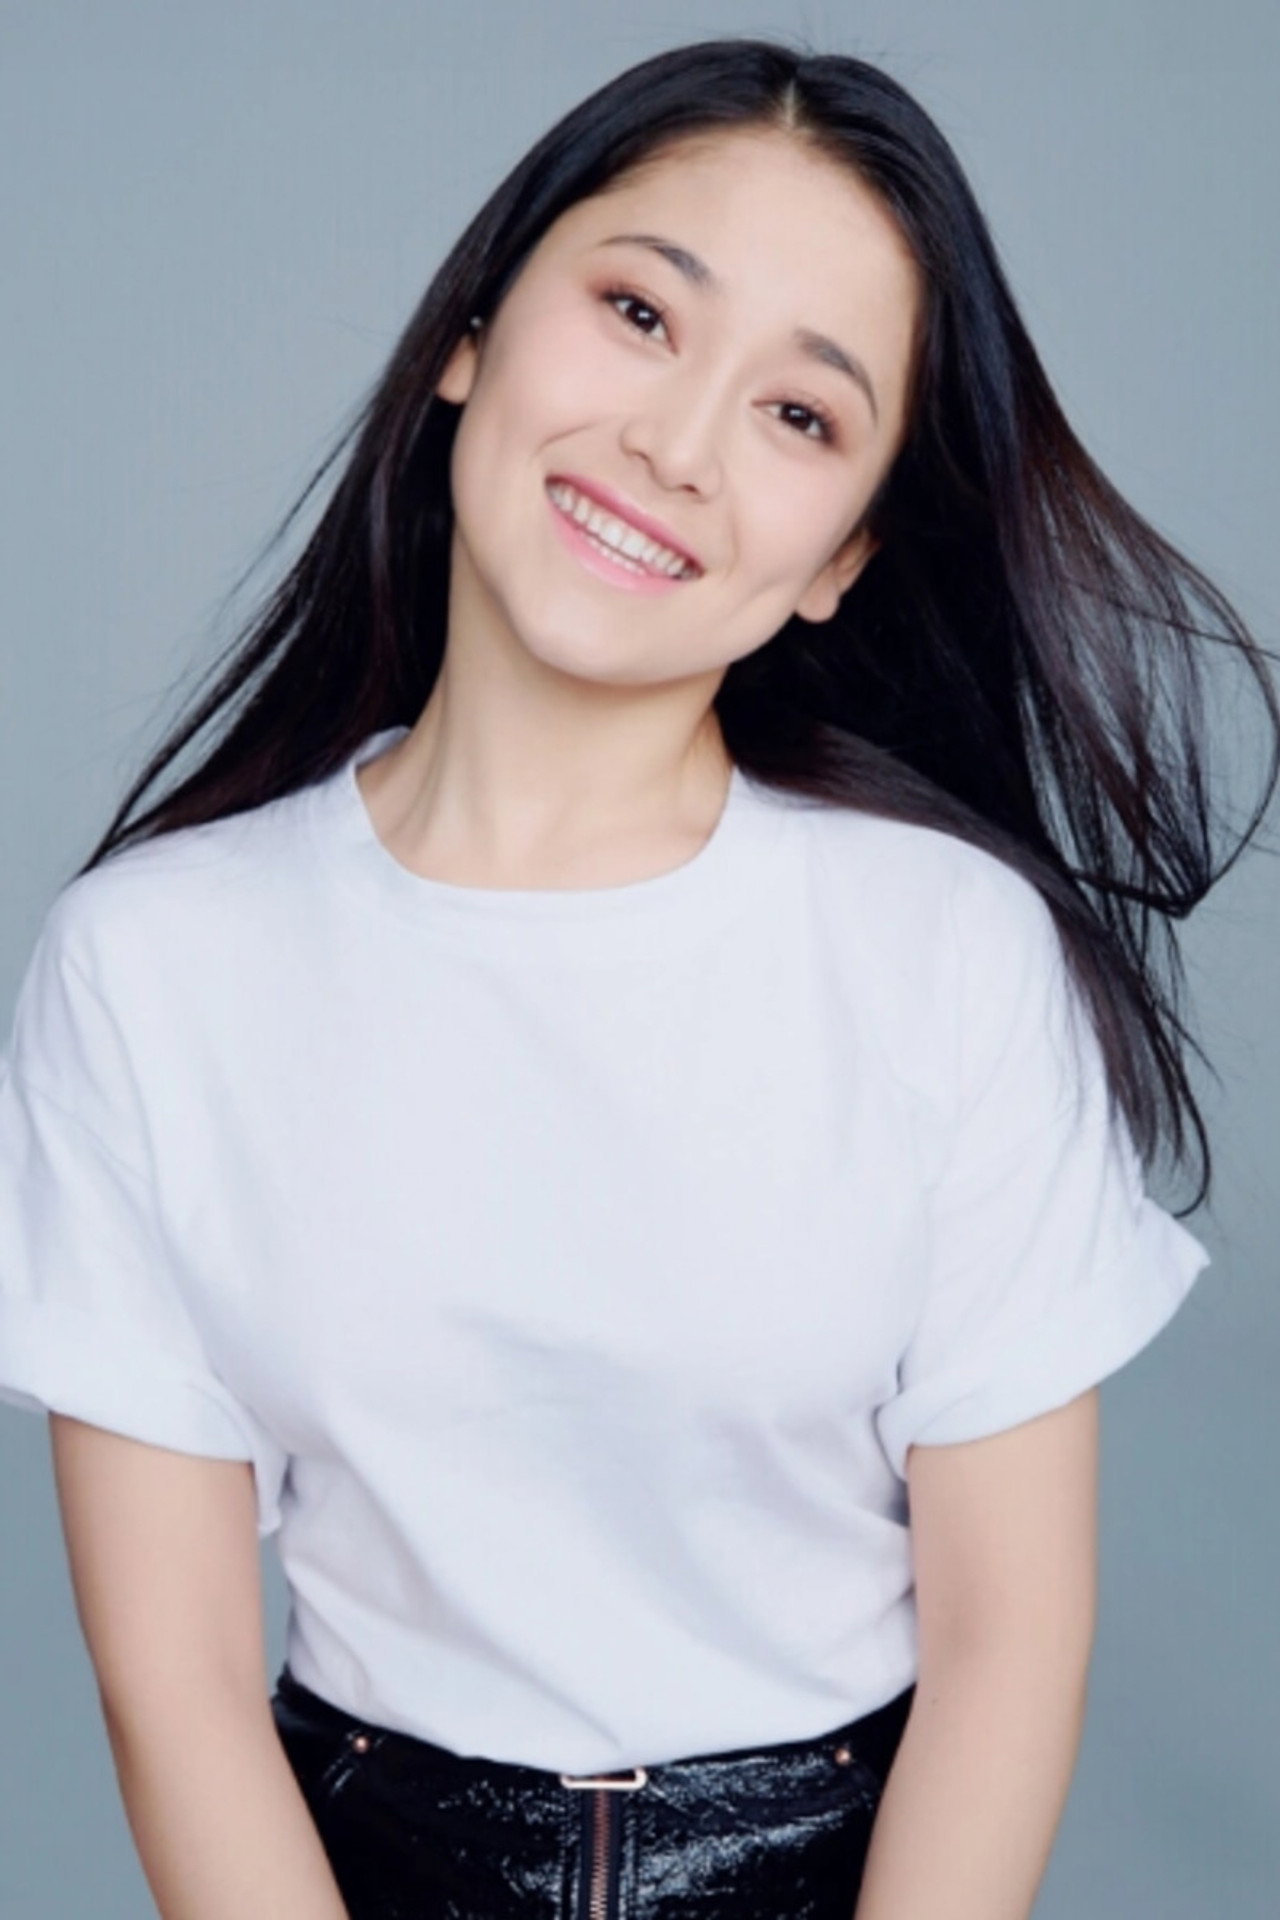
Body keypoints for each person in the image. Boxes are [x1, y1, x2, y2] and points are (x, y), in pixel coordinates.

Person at [0, 34, 1275, 1920]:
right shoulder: (150, 966)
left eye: (801, 415)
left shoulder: (947, 951)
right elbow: (173, 1689)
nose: (676, 446)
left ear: (843, 557)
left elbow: (1010, 1652)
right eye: (640, 314)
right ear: (473, 329)